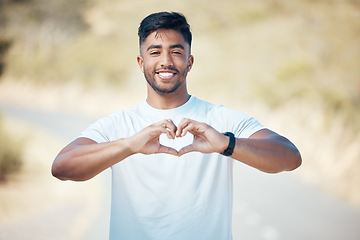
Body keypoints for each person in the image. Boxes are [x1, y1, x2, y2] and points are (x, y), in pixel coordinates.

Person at [52, 12, 301, 240]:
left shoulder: (220, 119)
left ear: (190, 62)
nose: (166, 61)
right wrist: (129, 145)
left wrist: (227, 143)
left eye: (176, 51)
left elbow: (290, 157)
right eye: (155, 52)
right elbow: (62, 167)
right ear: (141, 62)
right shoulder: (119, 124)